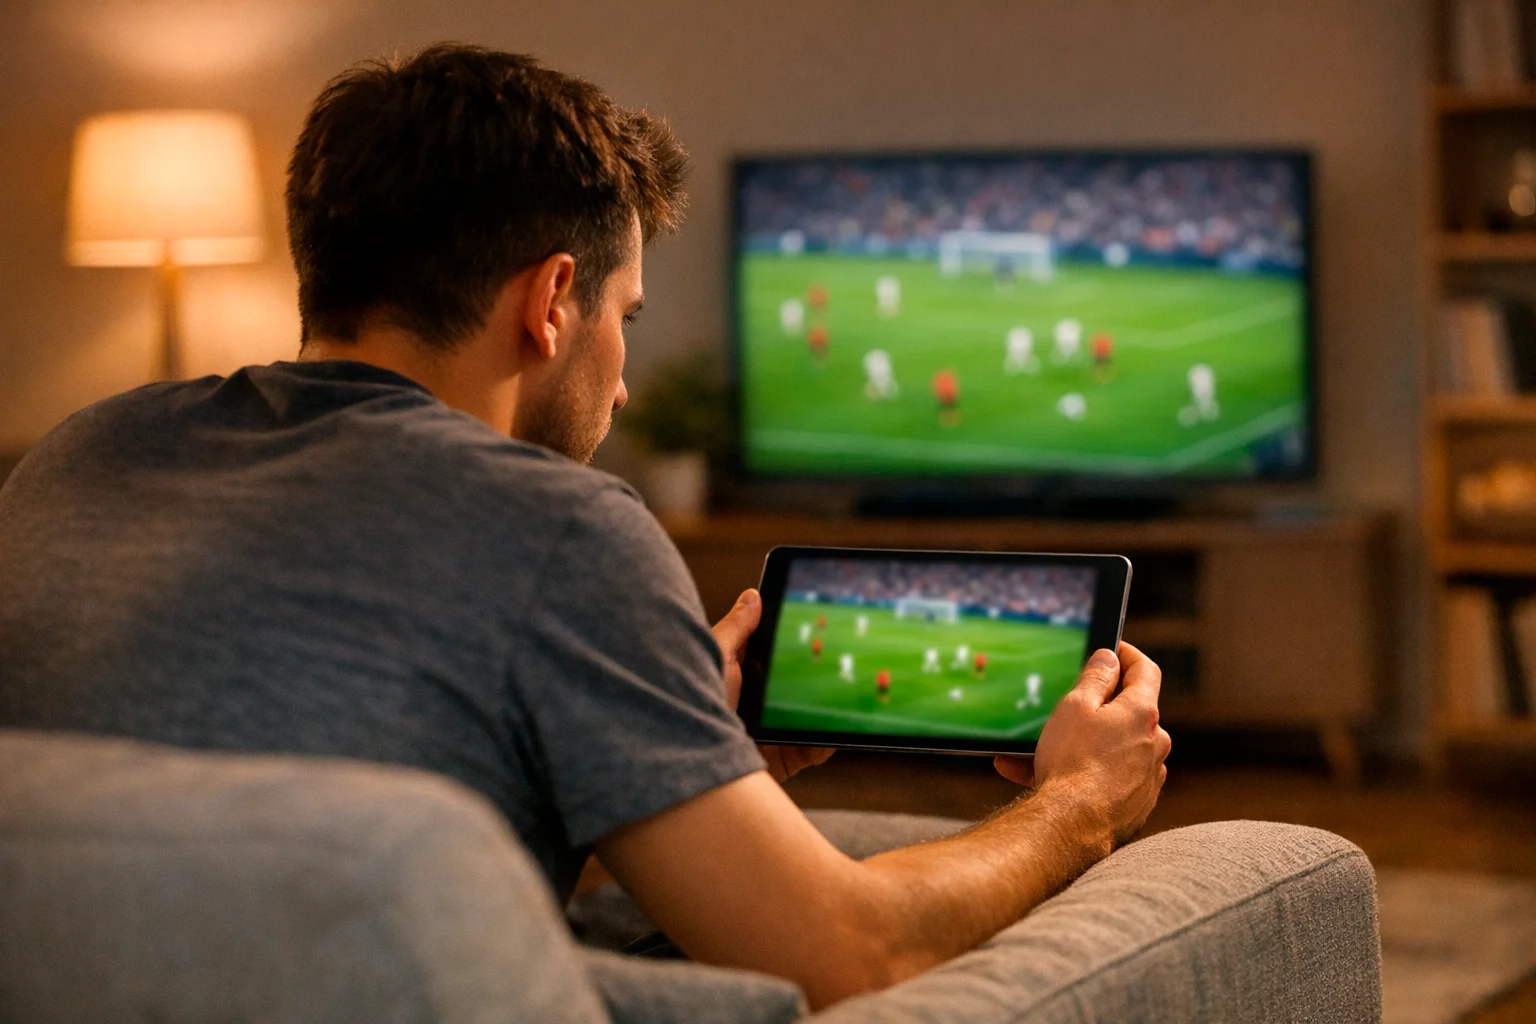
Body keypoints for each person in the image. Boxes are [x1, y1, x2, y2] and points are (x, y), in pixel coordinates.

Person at [0, 45, 1170, 1012]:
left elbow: (297, 830)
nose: (623, 385)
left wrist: (642, 752)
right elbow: (852, 953)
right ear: (552, 301)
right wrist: (1080, 801)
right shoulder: (555, 526)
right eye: (626, 315)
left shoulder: (73, 455)